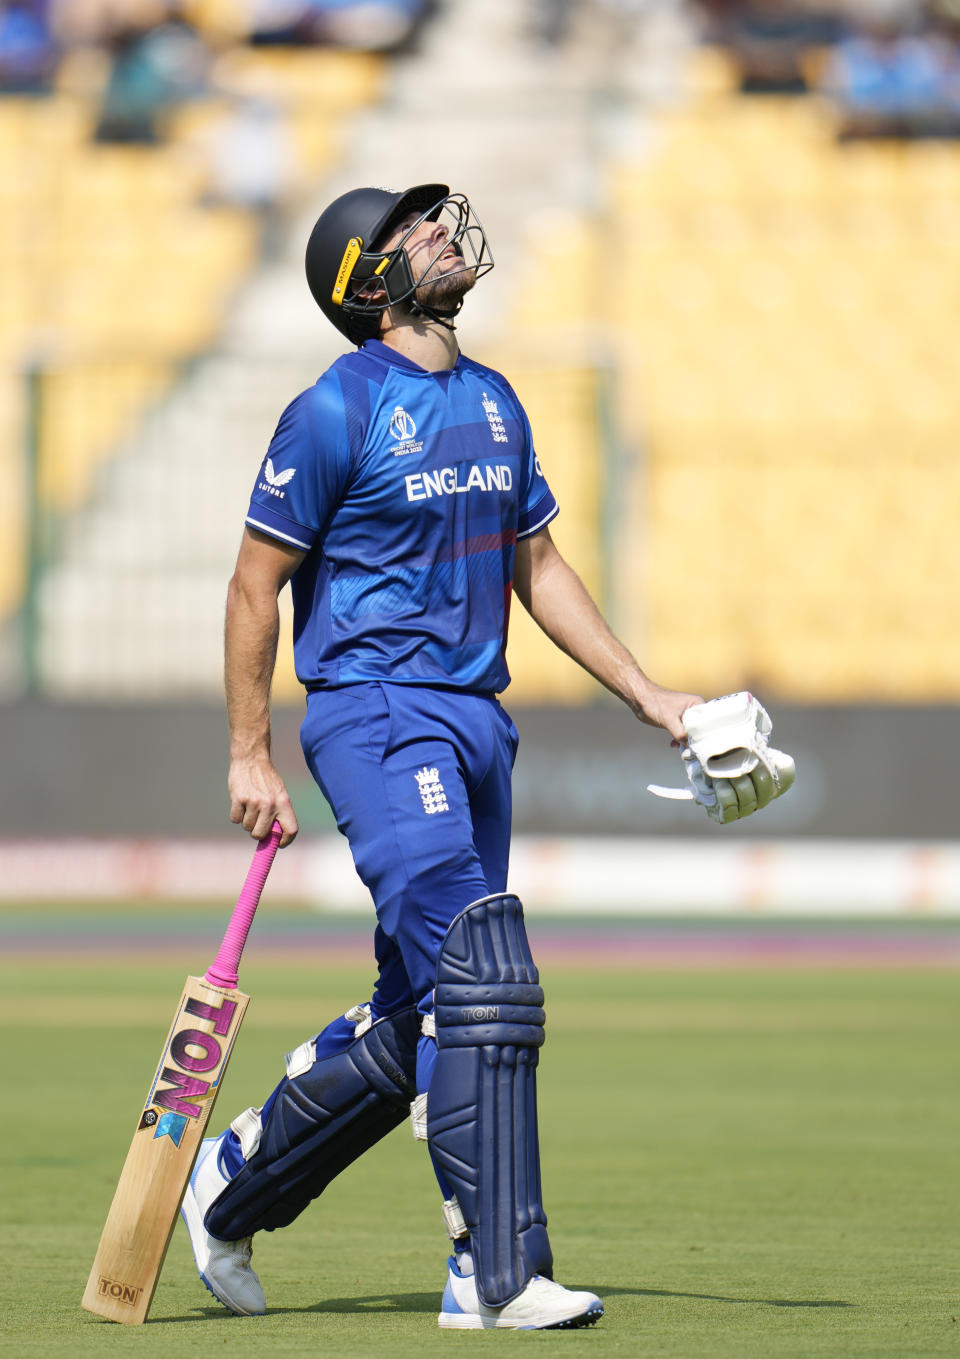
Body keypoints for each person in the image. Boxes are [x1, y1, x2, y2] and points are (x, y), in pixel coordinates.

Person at [180, 182, 706, 1331]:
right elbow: (254, 585)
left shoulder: (497, 401)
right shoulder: (333, 409)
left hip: (476, 720)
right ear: (369, 283)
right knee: (485, 975)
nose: (440, 231)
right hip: (373, 715)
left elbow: (541, 568)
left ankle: (233, 1184)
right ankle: (496, 1271)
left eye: (435, 217)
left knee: (422, 1009)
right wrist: (247, 751)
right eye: (412, 226)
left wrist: (653, 699)